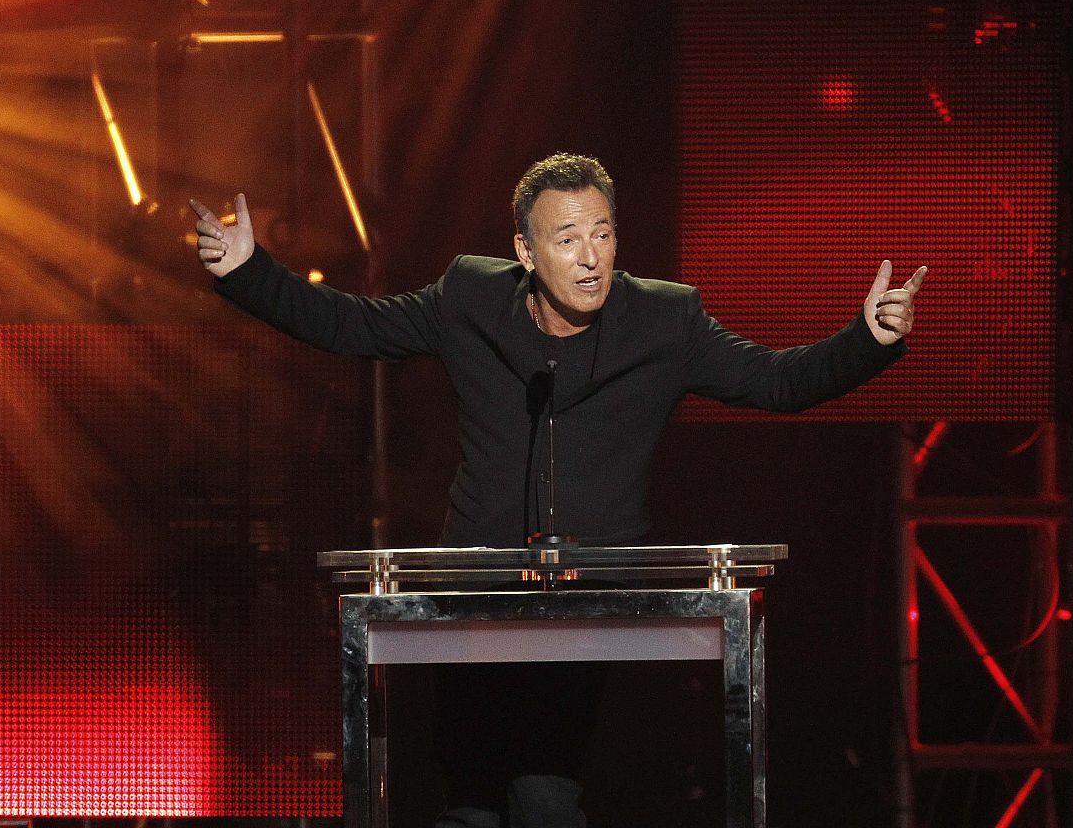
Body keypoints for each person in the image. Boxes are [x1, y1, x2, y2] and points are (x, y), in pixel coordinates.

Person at [191, 152, 925, 828]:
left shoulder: (664, 320)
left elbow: (778, 381)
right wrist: (250, 270)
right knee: (473, 800)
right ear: (525, 250)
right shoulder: (472, 298)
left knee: (543, 793)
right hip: (475, 589)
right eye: (568, 238)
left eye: (602, 234)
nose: (591, 257)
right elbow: (352, 324)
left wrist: (869, 340)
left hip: (587, 596)